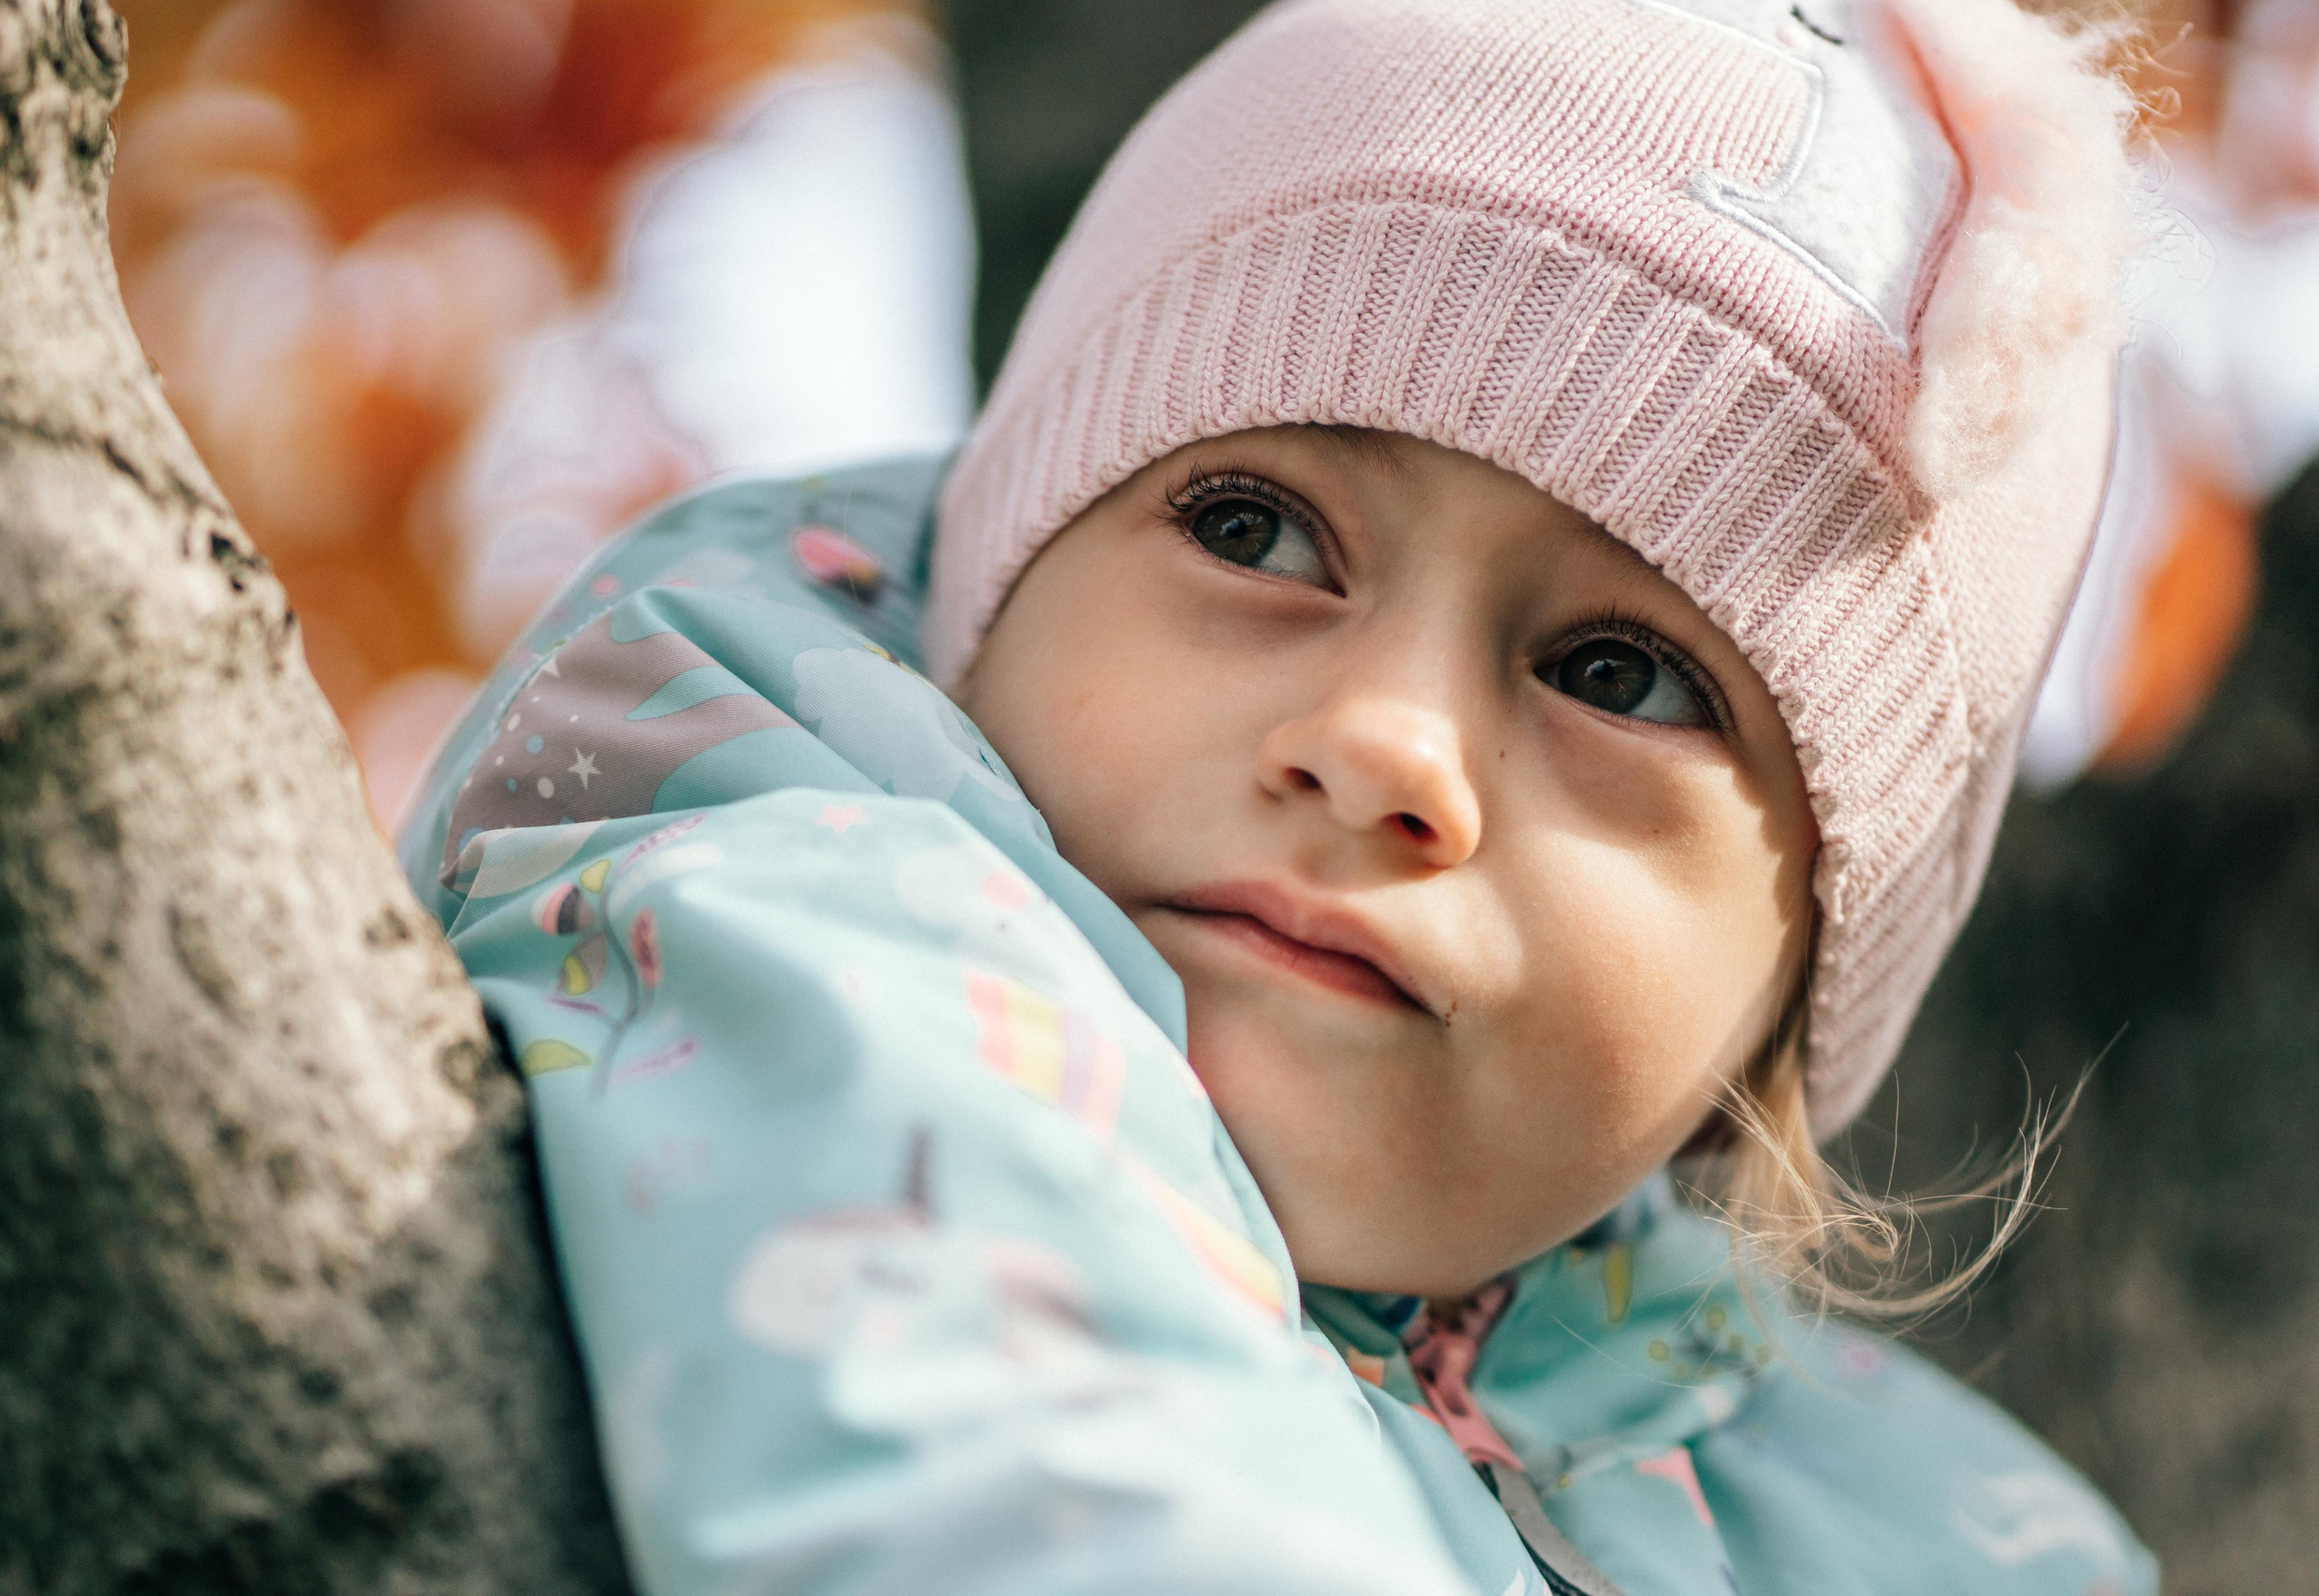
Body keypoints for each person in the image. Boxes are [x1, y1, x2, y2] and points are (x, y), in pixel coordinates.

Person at [397, 0, 2160, 1589]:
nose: (1384, 741)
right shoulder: (813, 950)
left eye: (1619, 675)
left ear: (1787, 998)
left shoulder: (1922, 1539)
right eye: (1256, 530)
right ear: (976, 608)